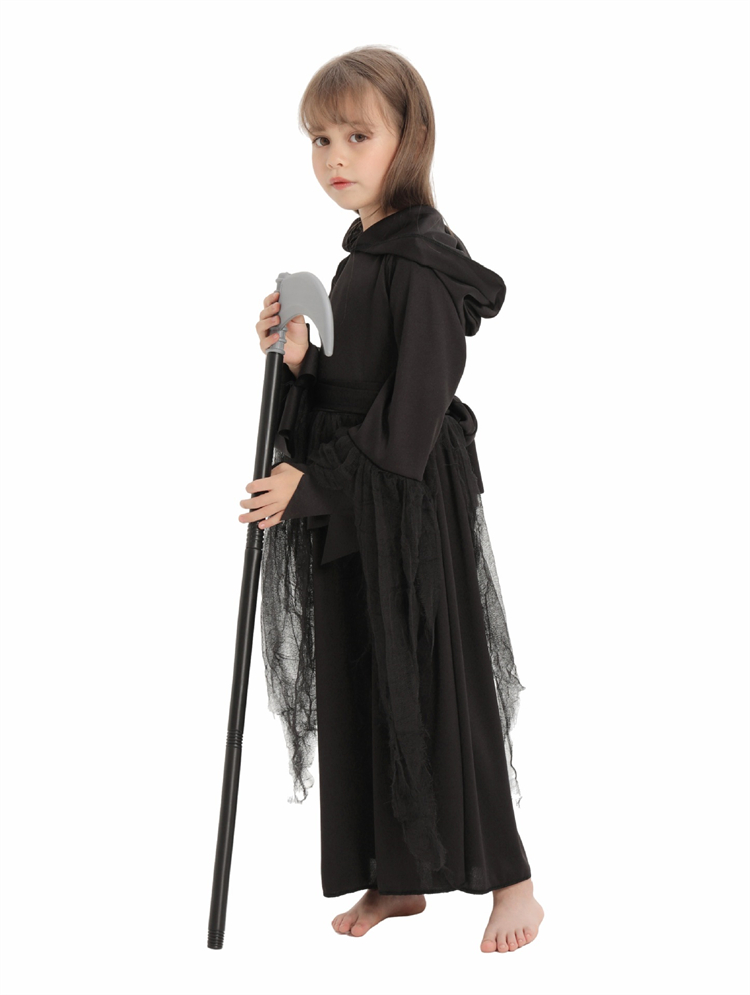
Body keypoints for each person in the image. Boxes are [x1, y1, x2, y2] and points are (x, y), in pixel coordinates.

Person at [239, 45, 544, 954]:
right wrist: (300, 363)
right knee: (366, 678)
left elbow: (409, 421)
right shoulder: (359, 259)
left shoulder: (421, 264)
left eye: (357, 135)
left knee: (444, 683)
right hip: (355, 503)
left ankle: (515, 883)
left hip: (407, 507)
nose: (335, 156)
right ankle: (396, 875)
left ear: (407, 139)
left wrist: (314, 485)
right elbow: (347, 389)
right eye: (320, 139)